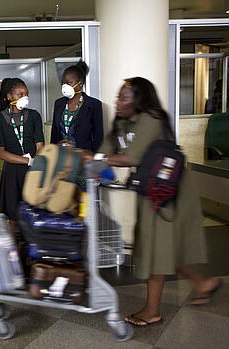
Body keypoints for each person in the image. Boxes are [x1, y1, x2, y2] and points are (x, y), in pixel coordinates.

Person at [92, 77, 221, 327]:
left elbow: (131, 156)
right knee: (160, 246)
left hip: (168, 194)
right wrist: (95, 161)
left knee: (156, 248)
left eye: (123, 98)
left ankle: (152, 310)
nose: (117, 102)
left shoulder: (151, 119)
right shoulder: (123, 122)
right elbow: (107, 148)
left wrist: (96, 158)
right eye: (118, 97)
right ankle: (203, 283)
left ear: (139, 100)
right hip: (152, 192)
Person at [0, 77, 44, 225]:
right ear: (9, 96)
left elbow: (40, 146)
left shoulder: (34, 115)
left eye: (26, 94)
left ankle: (31, 246)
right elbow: (0, 152)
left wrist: (37, 163)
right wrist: (28, 160)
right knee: (13, 218)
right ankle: (15, 247)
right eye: (20, 94)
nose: (25, 98)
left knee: (34, 214)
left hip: (33, 172)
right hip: (12, 174)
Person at [50, 61, 103, 153]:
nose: (65, 86)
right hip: (61, 157)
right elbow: (54, 134)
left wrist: (94, 158)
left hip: (83, 159)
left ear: (80, 83)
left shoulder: (93, 104)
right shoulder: (59, 104)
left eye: (69, 83)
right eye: (63, 83)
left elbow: (98, 137)